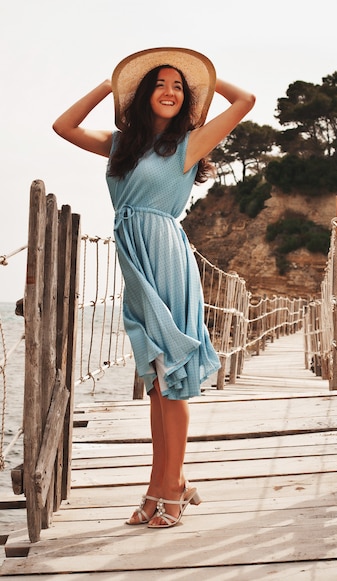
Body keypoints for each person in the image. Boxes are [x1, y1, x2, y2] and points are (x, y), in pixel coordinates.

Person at [53, 47, 255, 528]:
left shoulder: (189, 144)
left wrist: (207, 80)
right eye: (160, 84)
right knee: (156, 382)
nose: (169, 91)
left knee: (173, 378)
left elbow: (245, 101)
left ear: (187, 99)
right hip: (134, 256)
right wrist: (108, 87)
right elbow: (63, 127)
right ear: (144, 95)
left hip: (164, 256)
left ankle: (170, 490)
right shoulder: (121, 144)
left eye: (178, 86)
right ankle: (164, 484)